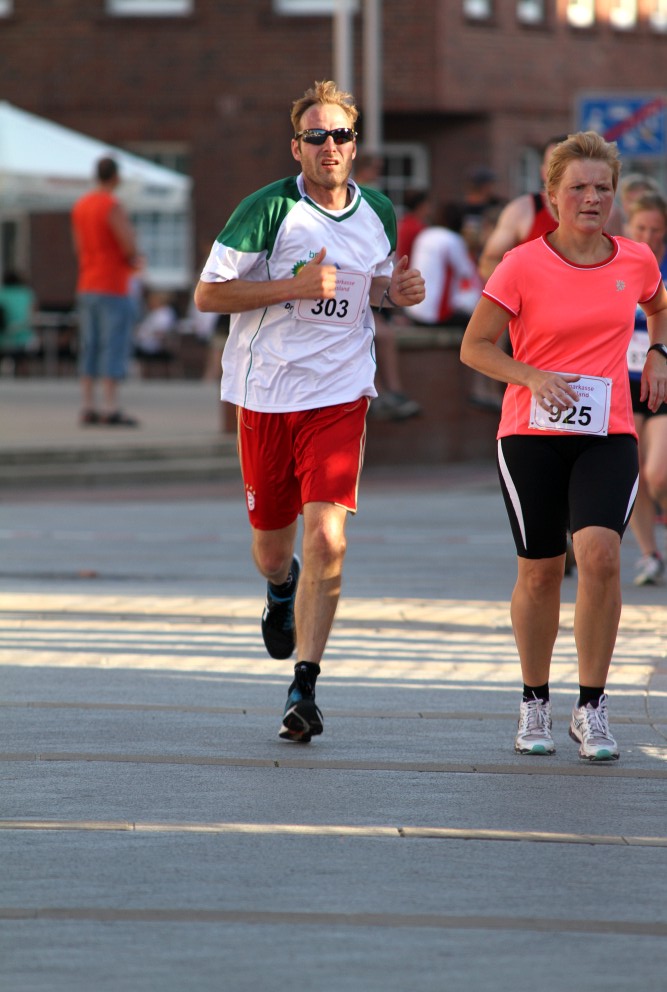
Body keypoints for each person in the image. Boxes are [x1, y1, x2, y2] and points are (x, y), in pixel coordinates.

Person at [194, 80, 425, 743]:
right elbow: (208, 296)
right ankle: (279, 589)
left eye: (340, 135)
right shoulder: (267, 209)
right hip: (268, 394)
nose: (330, 146)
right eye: (316, 136)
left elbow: (369, 288)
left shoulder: (378, 210)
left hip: (340, 393)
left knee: (328, 536)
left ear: (354, 144)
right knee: (274, 550)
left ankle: (305, 684)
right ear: (296, 146)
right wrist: (290, 286)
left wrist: (396, 291)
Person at [460, 131, 667, 762]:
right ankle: (534, 700)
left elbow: (658, 305)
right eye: (578, 187)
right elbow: (475, 347)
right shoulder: (522, 264)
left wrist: (659, 352)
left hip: (607, 432)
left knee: (600, 555)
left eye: (602, 188)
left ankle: (592, 708)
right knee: (542, 570)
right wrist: (531, 377)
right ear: (552, 195)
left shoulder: (635, 260)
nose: (591, 198)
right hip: (531, 435)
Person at [353, 152, 422, 421]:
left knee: (383, 332)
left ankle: (392, 392)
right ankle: (382, 393)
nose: (379, 172)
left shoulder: (373, 198)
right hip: (353, 286)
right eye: (376, 167)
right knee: (375, 332)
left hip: (371, 283)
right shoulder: (359, 198)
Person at [71, 156, 140, 426]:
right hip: (112, 283)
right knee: (113, 343)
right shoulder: (111, 204)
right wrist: (134, 255)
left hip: (87, 281)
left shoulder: (81, 205)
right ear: (116, 177)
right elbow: (128, 245)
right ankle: (110, 406)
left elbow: (78, 247)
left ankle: (88, 404)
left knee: (90, 344)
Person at [625, 192, 667, 585]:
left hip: (663, 381)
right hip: (624, 382)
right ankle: (649, 554)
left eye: (656, 229)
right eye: (641, 228)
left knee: (659, 474)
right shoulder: (617, 261)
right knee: (633, 471)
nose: (648, 236)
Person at [478, 135, 568, 282]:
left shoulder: (600, 210)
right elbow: (489, 261)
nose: (561, 173)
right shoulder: (522, 210)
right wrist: (520, 289)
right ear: (543, 171)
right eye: (554, 166)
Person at [408, 202, 482, 327]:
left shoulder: (424, 235)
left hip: (413, 311)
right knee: (476, 322)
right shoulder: (453, 240)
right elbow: (468, 273)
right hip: (435, 314)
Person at [0, 270, 38, 374]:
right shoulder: (27, 293)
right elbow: (33, 315)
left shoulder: (2, 293)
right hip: (25, 336)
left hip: (3, 338)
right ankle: (24, 371)